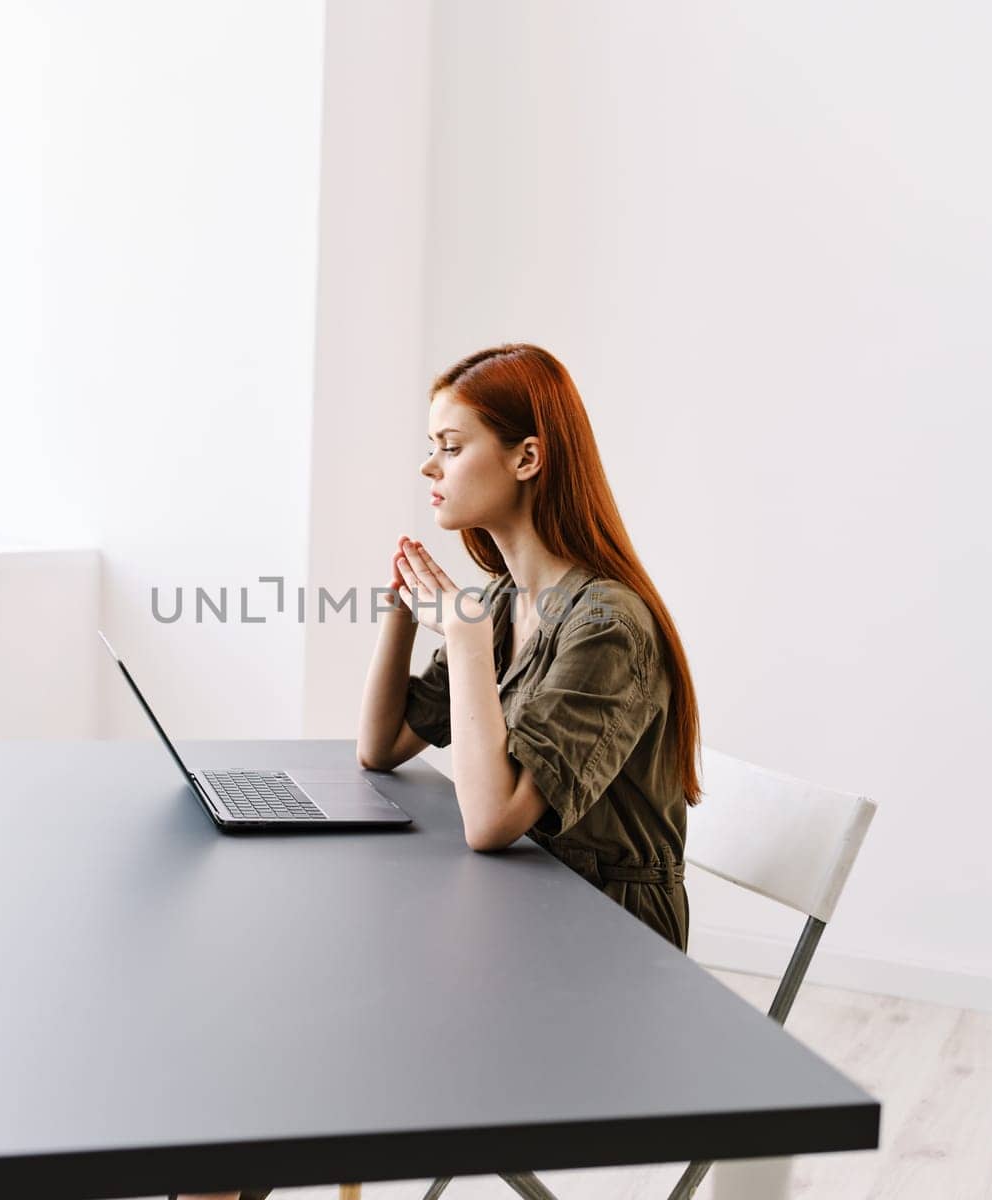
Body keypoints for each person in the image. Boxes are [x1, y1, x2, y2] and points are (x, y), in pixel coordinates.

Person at [175, 342, 702, 1200]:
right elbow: (381, 747)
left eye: (451, 446)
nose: (431, 465)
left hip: (608, 959)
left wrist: (456, 634)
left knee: (284, 1031)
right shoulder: (501, 603)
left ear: (528, 457)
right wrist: (403, 614)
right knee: (265, 1029)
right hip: (521, 913)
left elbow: (492, 820)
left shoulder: (605, 622)